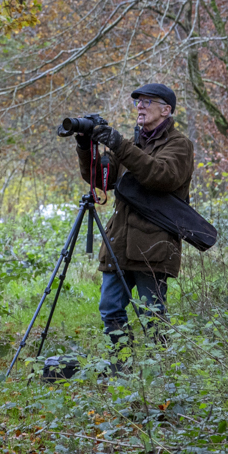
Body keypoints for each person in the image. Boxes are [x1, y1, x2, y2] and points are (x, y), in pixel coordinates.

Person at [78, 83, 194, 351]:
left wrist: (121, 146)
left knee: (151, 316)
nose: (139, 106)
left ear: (166, 110)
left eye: (147, 101)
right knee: (110, 310)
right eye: (137, 102)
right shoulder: (134, 143)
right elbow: (101, 179)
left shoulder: (179, 145)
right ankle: (122, 369)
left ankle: (163, 372)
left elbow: (162, 177)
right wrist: (85, 147)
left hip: (151, 247)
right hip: (118, 243)